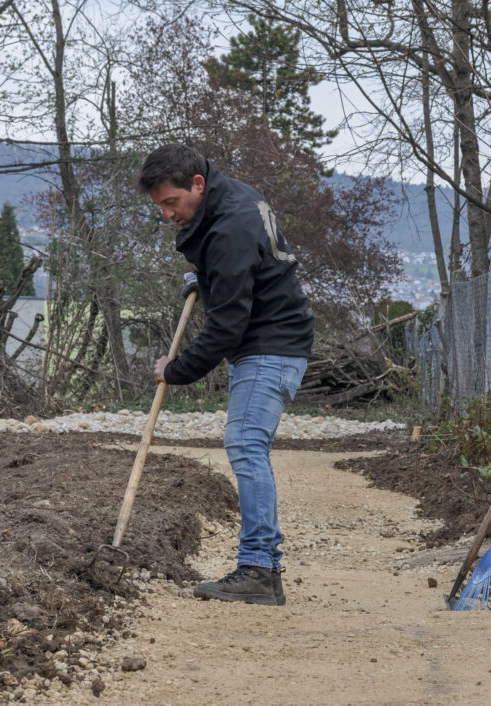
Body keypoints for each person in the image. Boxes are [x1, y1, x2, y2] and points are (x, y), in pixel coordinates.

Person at [139, 144, 314, 606]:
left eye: (171, 202)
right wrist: (206, 279)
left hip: (270, 345)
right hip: (275, 340)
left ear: (197, 184)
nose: (167, 214)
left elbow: (227, 324)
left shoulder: (230, 225)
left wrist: (176, 370)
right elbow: (244, 270)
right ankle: (261, 567)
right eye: (160, 206)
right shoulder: (232, 196)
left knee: (245, 445)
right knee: (247, 445)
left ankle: (259, 569)